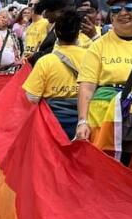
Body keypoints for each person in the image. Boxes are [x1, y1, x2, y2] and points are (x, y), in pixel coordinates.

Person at [75, 0, 132, 177]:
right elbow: (87, 86)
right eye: (116, 9)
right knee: (103, 174)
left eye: (129, 7)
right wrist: (82, 121)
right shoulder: (98, 46)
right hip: (103, 123)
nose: (123, 13)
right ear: (110, 15)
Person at [23, 9, 86, 139]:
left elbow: (31, 98)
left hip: (52, 123)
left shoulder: (46, 61)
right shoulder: (90, 58)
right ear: (78, 33)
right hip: (83, 122)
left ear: (56, 33)